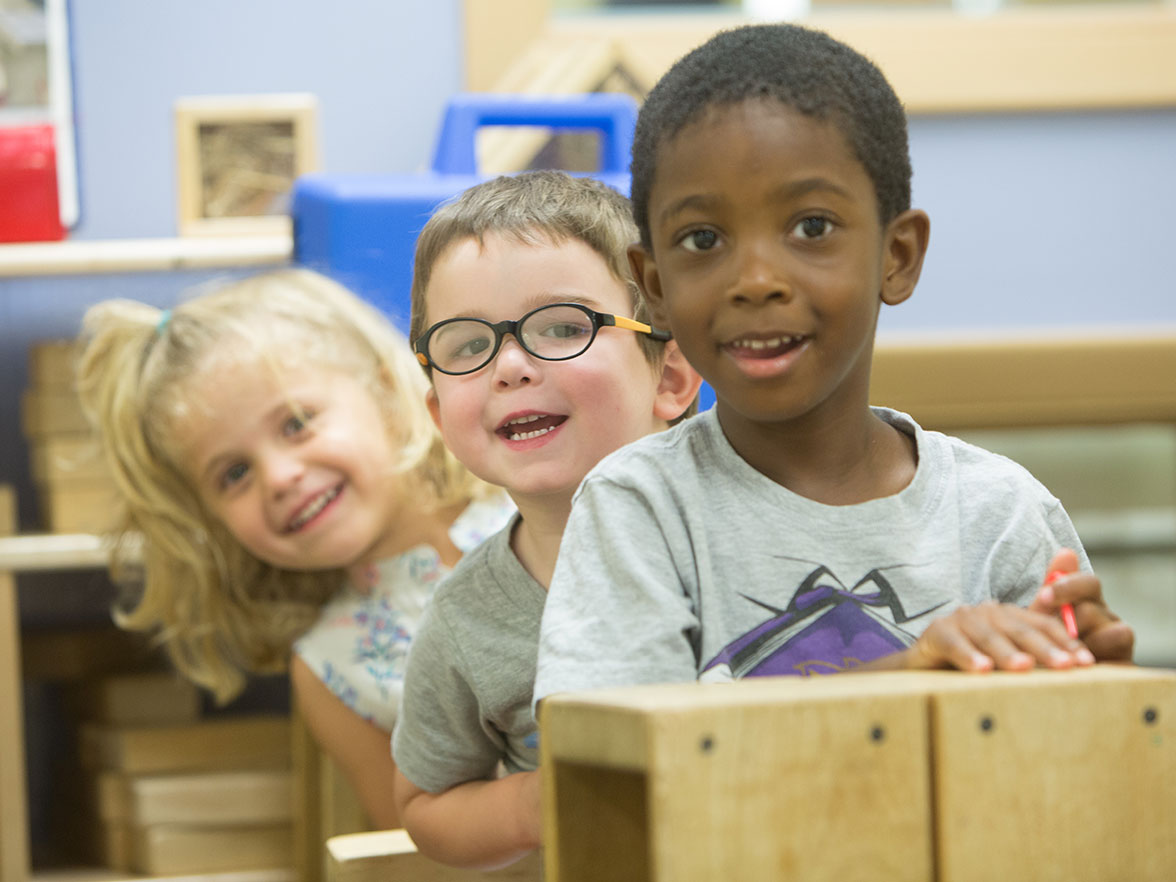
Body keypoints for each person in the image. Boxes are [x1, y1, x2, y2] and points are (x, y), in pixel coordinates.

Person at [533, 24, 1135, 706]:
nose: (756, 279)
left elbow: (1057, 781)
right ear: (657, 286)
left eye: (811, 228)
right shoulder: (638, 507)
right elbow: (618, 766)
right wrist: (906, 682)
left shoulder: (1002, 515)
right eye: (702, 239)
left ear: (897, 256)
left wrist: (1085, 686)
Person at [75, 268, 513, 828]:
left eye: (297, 424)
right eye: (233, 473)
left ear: (384, 393)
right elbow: (413, 852)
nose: (279, 477)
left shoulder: (534, 497)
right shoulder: (330, 668)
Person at [390, 171, 700, 869]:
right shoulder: (465, 619)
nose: (509, 366)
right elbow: (424, 804)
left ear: (672, 377)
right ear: (440, 416)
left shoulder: (758, 526)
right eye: (467, 345)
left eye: (563, 326)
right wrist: (536, 802)